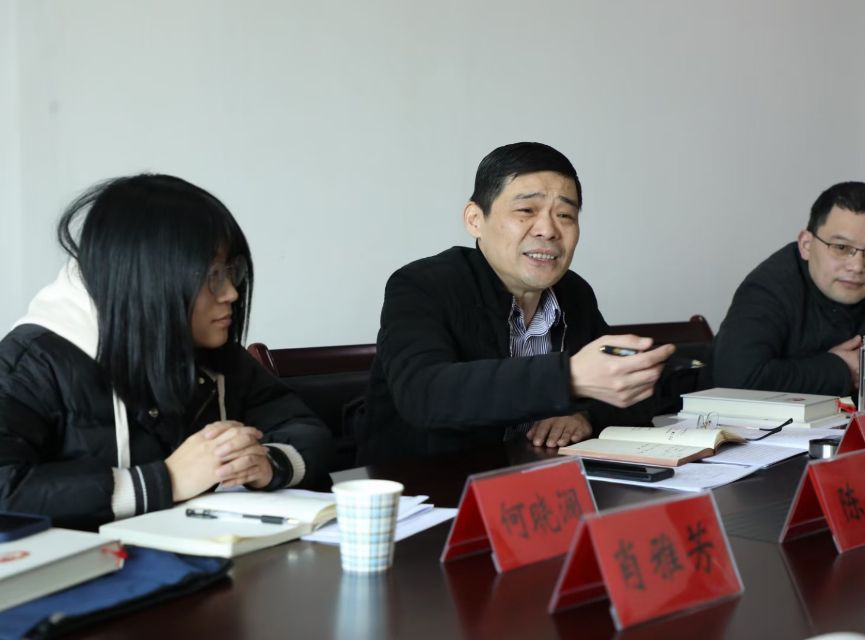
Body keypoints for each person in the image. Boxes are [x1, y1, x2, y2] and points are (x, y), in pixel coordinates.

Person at [0, 175, 333, 530]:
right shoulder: (30, 364)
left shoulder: (210, 349)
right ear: (148, 279)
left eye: (230, 272)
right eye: (211, 275)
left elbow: (305, 427)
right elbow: (7, 489)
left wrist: (267, 463)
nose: (231, 294)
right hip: (95, 563)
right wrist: (167, 480)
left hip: (209, 552)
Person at [357, 142, 675, 464]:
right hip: (426, 483)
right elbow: (423, 393)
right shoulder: (423, 285)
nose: (548, 230)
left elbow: (637, 389)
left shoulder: (573, 292)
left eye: (565, 215)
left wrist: (584, 414)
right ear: (475, 219)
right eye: (526, 211)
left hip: (532, 479)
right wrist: (568, 379)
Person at [710, 181, 865, 396]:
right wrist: (841, 369)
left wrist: (864, 367)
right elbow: (736, 380)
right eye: (841, 247)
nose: (858, 266)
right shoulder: (769, 288)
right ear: (806, 245)